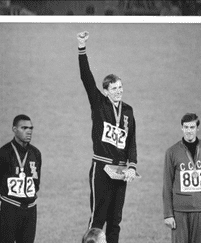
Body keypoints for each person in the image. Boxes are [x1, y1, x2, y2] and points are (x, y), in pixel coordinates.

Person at [77, 31, 138, 243]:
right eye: (114, 88)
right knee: (97, 219)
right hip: (102, 168)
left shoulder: (128, 111)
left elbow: (131, 141)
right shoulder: (98, 104)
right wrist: (81, 48)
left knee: (115, 221)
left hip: (120, 170)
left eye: (120, 87)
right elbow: (86, 77)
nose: (119, 91)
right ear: (105, 91)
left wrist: (132, 166)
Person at [162, 113, 201, 243]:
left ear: (197, 128)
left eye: (192, 127)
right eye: (186, 127)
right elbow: (167, 185)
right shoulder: (172, 152)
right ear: (182, 128)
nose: (189, 131)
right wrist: (168, 214)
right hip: (180, 211)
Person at [0, 114, 42, 243]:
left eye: (31, 128)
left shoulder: (36, 154)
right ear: (14, 129)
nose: (29, 131)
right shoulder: (1, 155)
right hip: (9, 209)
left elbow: (35, 183)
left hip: (30, 211)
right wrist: (1, 204)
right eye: (24, 128)